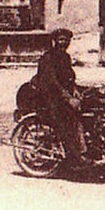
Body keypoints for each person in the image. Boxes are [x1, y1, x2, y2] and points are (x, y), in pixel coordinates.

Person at [31, 28, 86, 165]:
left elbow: (69, 79)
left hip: (62, 94)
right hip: (50, 97)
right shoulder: (48, 58)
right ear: (55, 41)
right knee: (68, 119)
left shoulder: (65, 57)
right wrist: (68, 98)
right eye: (61, 39)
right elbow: (52, 82)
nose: (64, 42)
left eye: (67, 40)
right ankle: (74, 156)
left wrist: (75, 91)